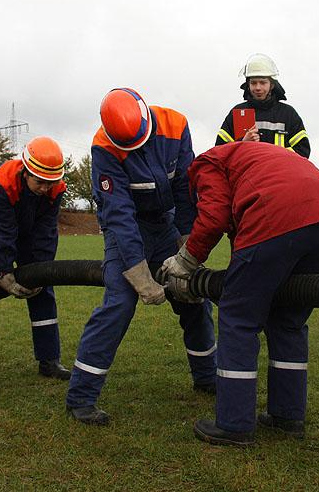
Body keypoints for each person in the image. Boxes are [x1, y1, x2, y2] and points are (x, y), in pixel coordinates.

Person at [160, 142, 319, 446]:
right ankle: (287, 416)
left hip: (278, 214)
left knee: (238, 316)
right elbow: (243, 244)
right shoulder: (257, 160)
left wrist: (185, 261)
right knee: (287, 319)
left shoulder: (205, 165)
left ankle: (234, 424)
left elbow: (215, 214)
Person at [66, 88, 216, 425]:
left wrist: (188, 249)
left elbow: (185, 192)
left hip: (166, 225)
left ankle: (208, 377)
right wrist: (138, 274)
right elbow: (119, 214)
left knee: (193, 298)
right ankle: (81, 397)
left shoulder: (176, 125)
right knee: (119, 304)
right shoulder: (104, 147)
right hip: (127, 230)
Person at [0, 136, 71, 389]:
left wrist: (43, 270)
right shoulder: (2, 182)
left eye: (50, 182)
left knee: (43, 294)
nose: (45, 188)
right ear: (26, 172)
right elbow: (3, 230)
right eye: (40, 182)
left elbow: (47, 231)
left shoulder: (56, 188)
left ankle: (49, 361)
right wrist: (5, 270)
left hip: (30, 233)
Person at [215, 53, 310, 157]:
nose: (258, 88)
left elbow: (303, 151)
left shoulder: (288, 114)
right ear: (248, 85)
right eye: (253, 83)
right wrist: (243, 143)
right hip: (246, 173)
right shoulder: (237, 113)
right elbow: (220, 153)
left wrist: (275, 156)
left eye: (263, 82)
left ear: (272, 85)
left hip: (277, 172)